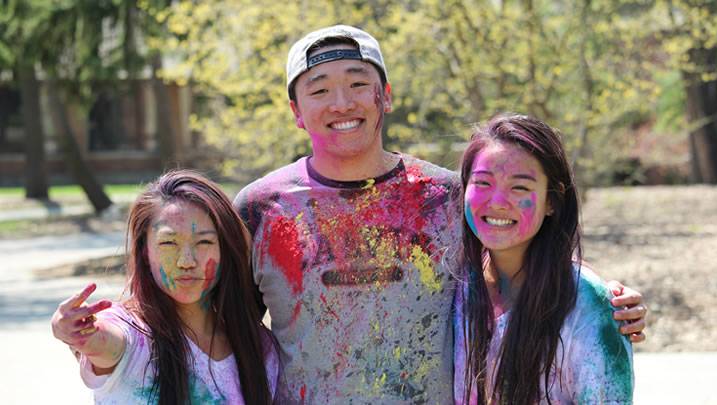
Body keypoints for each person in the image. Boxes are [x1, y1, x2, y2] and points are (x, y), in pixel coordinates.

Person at [235, 25, 646, 404]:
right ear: (295, 110)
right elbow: (221, 330)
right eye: (319, 90)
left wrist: (603, 295)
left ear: (387, 96)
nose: (342, 103)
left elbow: (519, 253)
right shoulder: (260, 209)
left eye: (359, 83)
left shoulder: (446, 196)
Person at [51, 170, 279, 404]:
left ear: (225, 249)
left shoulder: (261, 348)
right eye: (169, 243)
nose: (187, 262)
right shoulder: (133, 335)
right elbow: (104, 342)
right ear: (144, 251)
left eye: (204, 242)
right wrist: (77, 332)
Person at [455, 114, 634, 404]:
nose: (498, 201)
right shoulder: (453, 287)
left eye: (520, 187)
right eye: (483, 183)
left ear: (552, 201)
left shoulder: (588, 305)